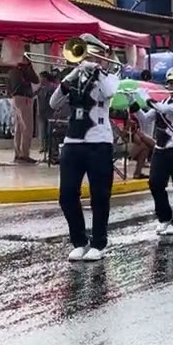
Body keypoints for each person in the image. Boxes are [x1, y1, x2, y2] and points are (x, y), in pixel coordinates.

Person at [50, 52, 119, 261]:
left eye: (94, 55)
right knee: (67, 194)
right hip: (73, 141)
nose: (89, 59)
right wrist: (73, 73)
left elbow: (109, 92)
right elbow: (54, 103)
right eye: (86, 54)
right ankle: (79, 241)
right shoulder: (74, 78)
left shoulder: (110, 76)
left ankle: (99, 243)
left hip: (99, 141)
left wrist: (97, 71)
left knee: (99, 194)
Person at [140, 69, 173, 238]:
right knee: (155, 183)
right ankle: (164, 217)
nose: (171, 85)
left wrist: (147, 98)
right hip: (161, 148)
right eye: (170, 83)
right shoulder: (163, 100)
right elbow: (146, 119)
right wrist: (134, 103)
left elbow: (166, 110)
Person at [7, 56, 40, 163]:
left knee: (19, 127)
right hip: (24, 97)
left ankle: (18, 153)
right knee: (27, 126)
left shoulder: (11, 70)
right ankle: (25, 154)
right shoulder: (23, 69)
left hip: (15, 97)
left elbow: (8, 86)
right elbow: (35, 79)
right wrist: (29, 66)